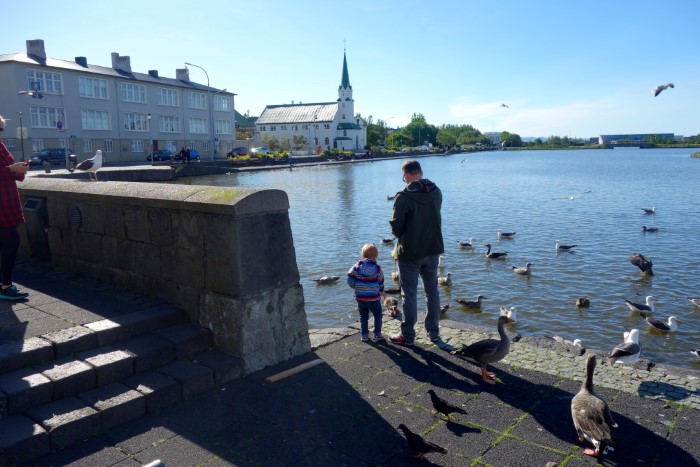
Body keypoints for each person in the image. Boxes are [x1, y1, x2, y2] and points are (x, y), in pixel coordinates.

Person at [389, 159, 447, 348]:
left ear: (406, 175)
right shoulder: (436, 191)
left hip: (410, 252)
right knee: (432, 291)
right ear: (420, 172)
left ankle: (408, 335)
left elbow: (396, 229)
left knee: (410, 294)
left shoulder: (404, 197)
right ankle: (433, 331)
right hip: (433, 249)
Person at [0, 115, 29, 300]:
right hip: (1, 205)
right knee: (11, 241)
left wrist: (20, 169)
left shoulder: (1, 146)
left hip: (6, 202)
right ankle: (6, 285)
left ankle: (3, 284)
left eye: (0, 129)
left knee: (4, 243)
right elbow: (7, 170)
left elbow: (9, 170)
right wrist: (11, 169)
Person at [347, 243, 385, 342]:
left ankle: (364, 335)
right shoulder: (377, 268)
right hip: (374, 298)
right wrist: (381, 290)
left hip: (361, 298)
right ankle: (377, 333)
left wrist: (354, 286)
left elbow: (349, 276)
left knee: (363, 316)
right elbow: (381, 281)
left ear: (363, 255)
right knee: (378, 315)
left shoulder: (356, 267)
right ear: (375, 257)